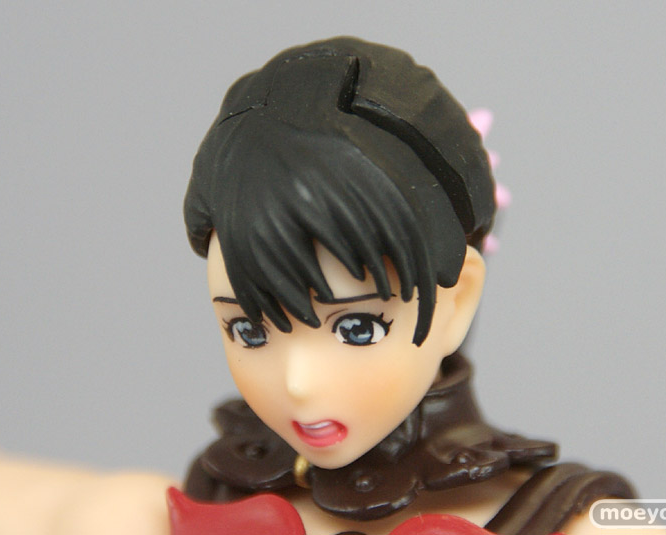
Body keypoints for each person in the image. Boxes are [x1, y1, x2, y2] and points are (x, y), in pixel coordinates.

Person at [178, 37, 636, 535]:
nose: (298, 384)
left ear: (457, 301)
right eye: (248, 330)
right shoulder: (194, 502)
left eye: (357, 328)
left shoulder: (583, 526)